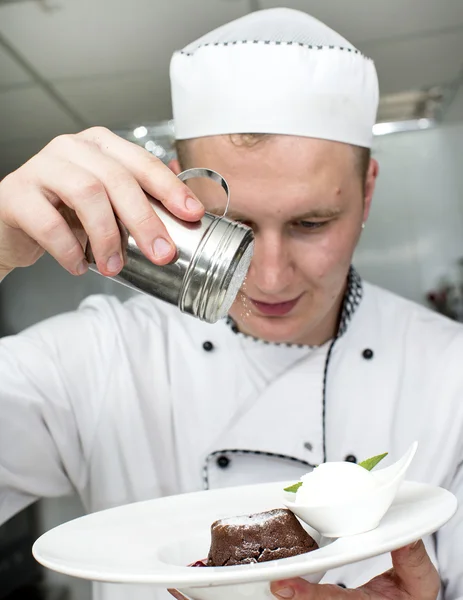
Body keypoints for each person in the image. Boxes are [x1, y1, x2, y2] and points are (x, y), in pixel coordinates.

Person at [0, 7, 461, 600]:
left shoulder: (451, 375)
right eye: (233, 226)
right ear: (173, 194)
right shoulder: (95, 358)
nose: (268, 277)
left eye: (311, 222)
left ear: (366, 192)